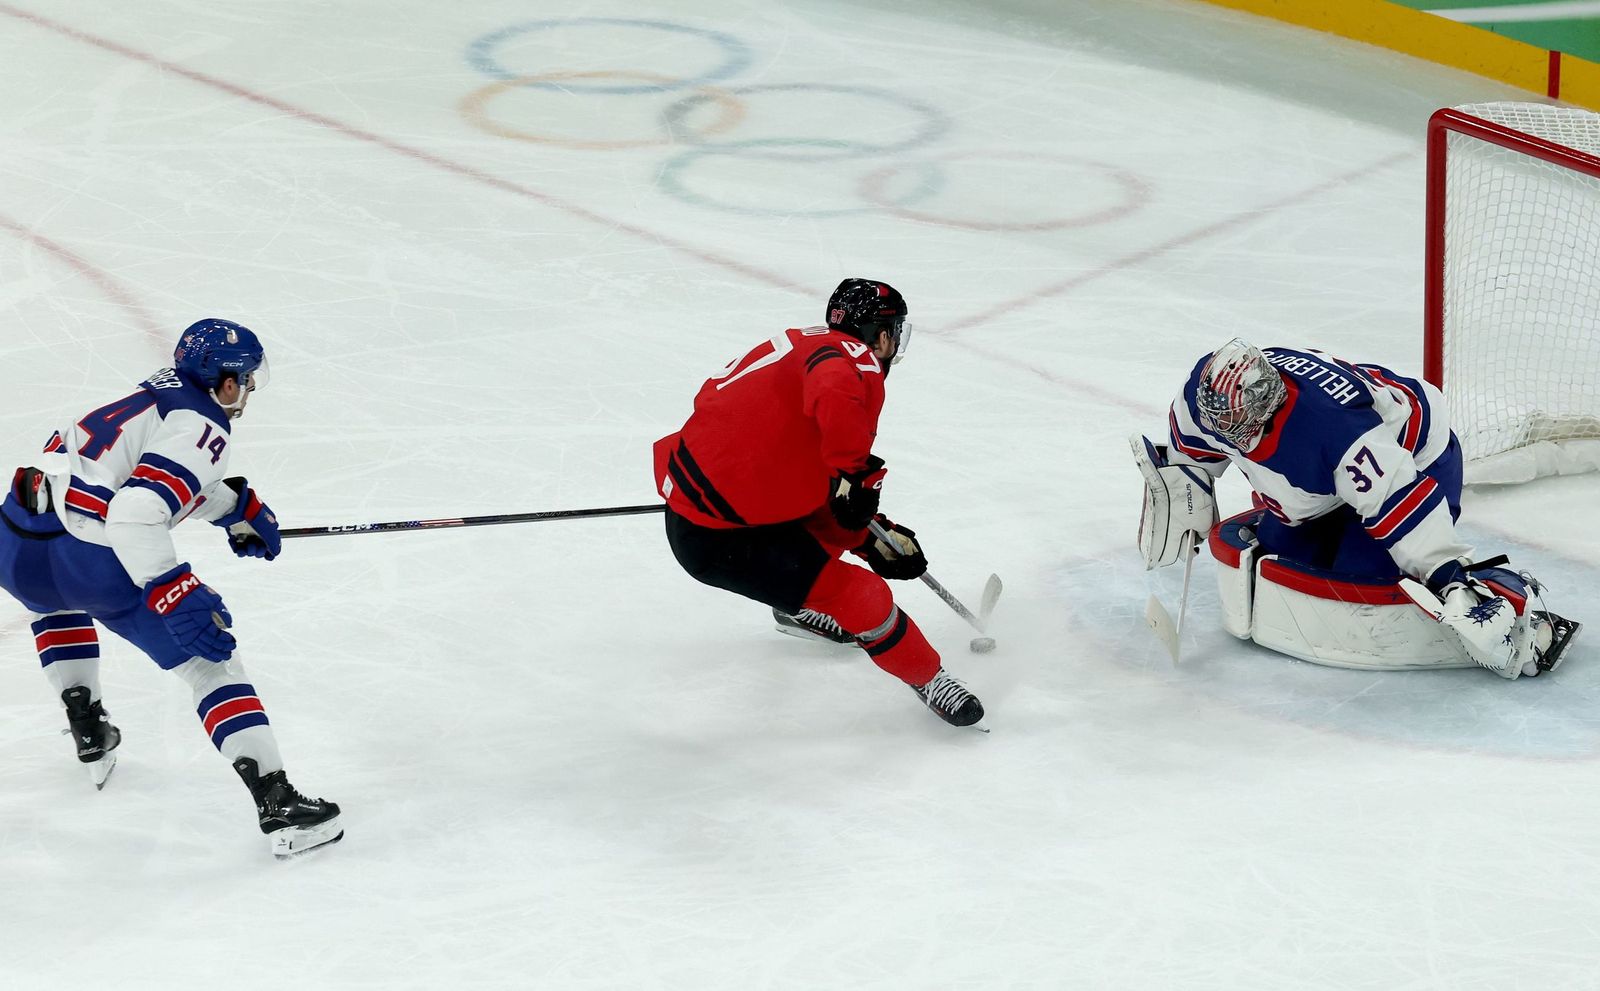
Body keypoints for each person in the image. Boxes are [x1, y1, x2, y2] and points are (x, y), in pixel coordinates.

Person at [0, 318, 343, 857]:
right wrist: (174, 589)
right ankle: (279, 805)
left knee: (57, 608)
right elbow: (136, 513)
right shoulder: (203, 422)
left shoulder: (151, 397)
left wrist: (233, 508)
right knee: (212, 663)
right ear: (226, 382)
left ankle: (87, 726)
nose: (248, 391)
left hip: (16, 546)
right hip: (89, 559)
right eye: (246, 380)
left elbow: (131, 484)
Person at [1133, 338, 1579, 678]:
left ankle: (1520, 615)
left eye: (1239, 426)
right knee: (1285, 554)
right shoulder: (1206, 395)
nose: (1230, 436)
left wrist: (1445, 574)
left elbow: (1396, 498)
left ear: (1267, 406)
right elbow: (1193, 448)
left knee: (1365, 578)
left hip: (1414, 460)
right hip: (1326, 483)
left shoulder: (1335, 428)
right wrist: (1183, 484)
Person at [653, 279, 984, 727]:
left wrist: (868, 533)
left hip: (721, 506)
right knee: (864, 597)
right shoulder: (854, 362)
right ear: (882, 335)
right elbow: (833, 395)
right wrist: (857, 476)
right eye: (895, 333)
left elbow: (799, 463)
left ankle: (800, 608)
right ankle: (930, 679)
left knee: (840, 527)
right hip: (722, 539)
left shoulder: (800, 341)